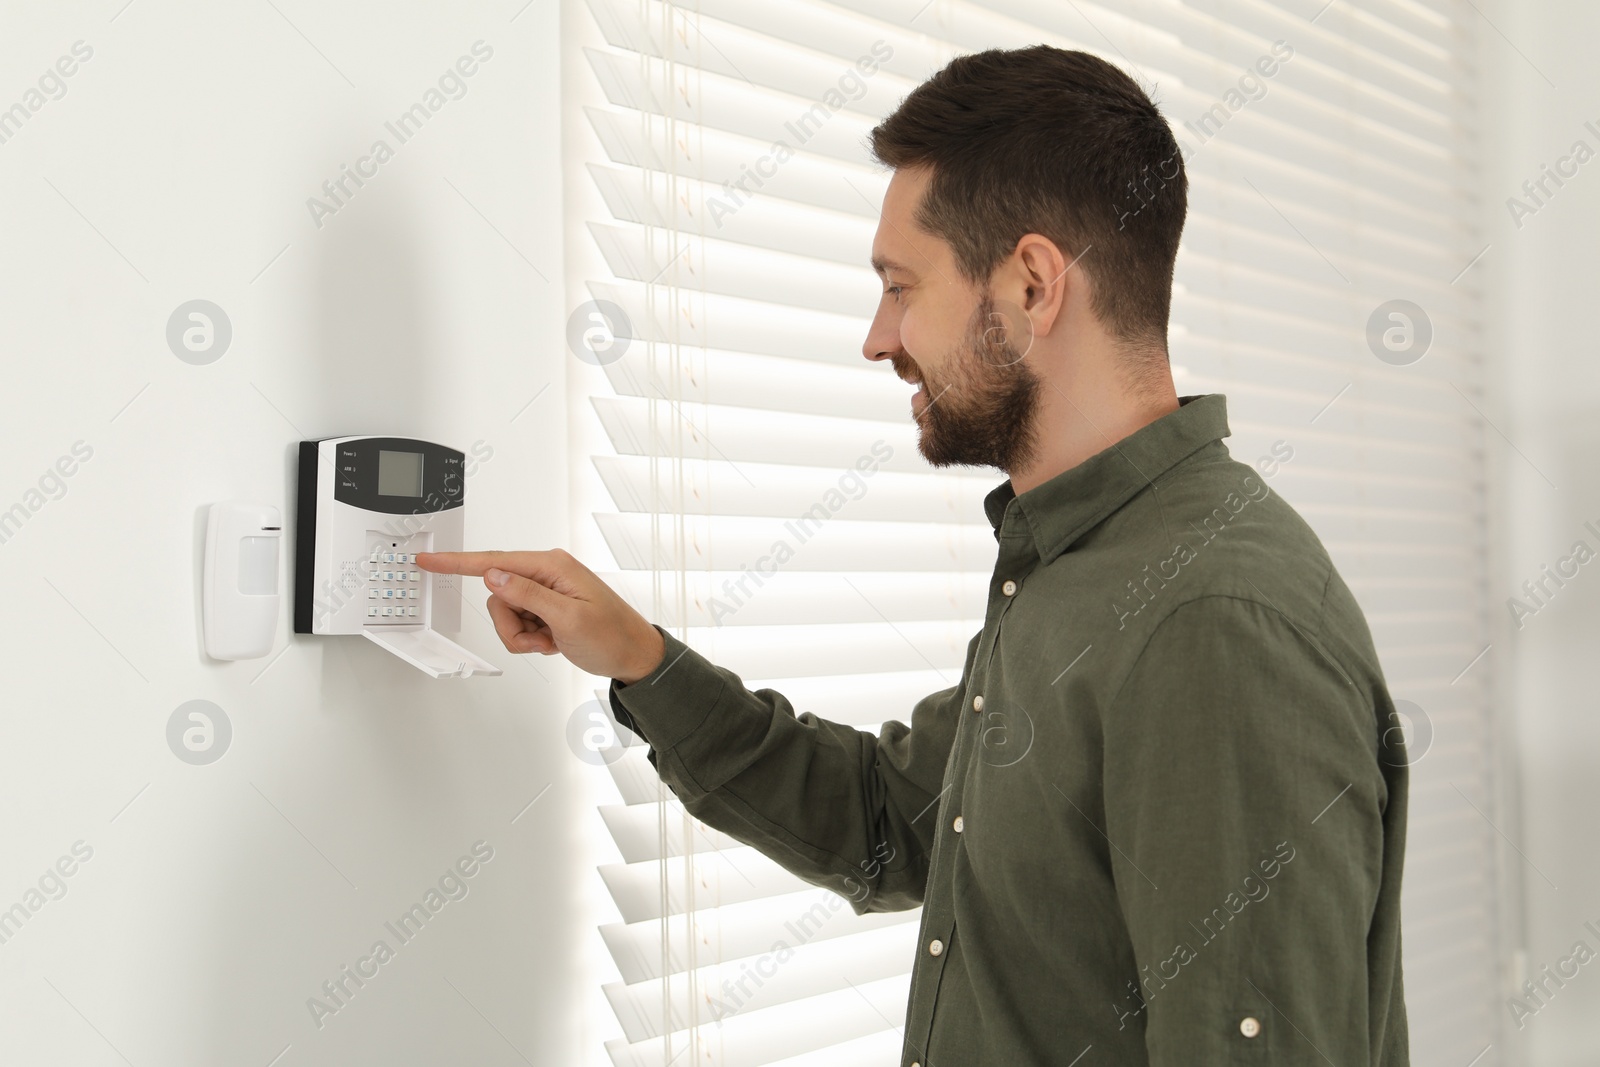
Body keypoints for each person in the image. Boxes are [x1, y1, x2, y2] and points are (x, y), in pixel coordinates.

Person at [419, 44, 1409, 1066]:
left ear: (1031, 284)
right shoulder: (1076, 567)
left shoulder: (1209, 619)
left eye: (900, 285)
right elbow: (896, 818)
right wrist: (639, 659)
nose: (877, 335)